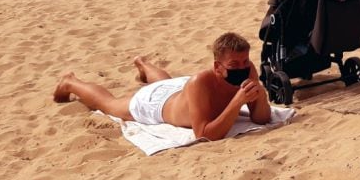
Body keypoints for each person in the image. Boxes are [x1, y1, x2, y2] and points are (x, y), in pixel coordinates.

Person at [53, 32, 272, 140]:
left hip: (176, 91)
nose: (242, 68)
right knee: (109, 104)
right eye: (234, 64)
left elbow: (261, 118)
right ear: (217, 67)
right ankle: (70, 81)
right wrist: (237, 103)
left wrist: (259, 97)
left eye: (244, 61)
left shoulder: (248, 70)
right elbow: (205, 135)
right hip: (156, 105)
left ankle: (143, 64)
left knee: (166, 83)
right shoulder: (201, 82)